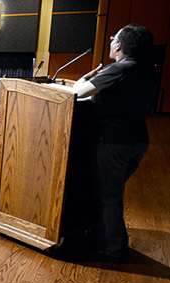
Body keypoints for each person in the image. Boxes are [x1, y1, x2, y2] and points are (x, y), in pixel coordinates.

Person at [67, 24, 156, 262]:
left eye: (113, 39)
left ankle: (112, 250)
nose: (111, 42)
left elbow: (77, 93)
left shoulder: (119, 69)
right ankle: (103, 238)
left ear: (119, 45)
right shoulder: (147, 69)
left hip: (114, 142)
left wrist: (83, 79)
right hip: (138, 140)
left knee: (109, 197)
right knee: (111, 193)